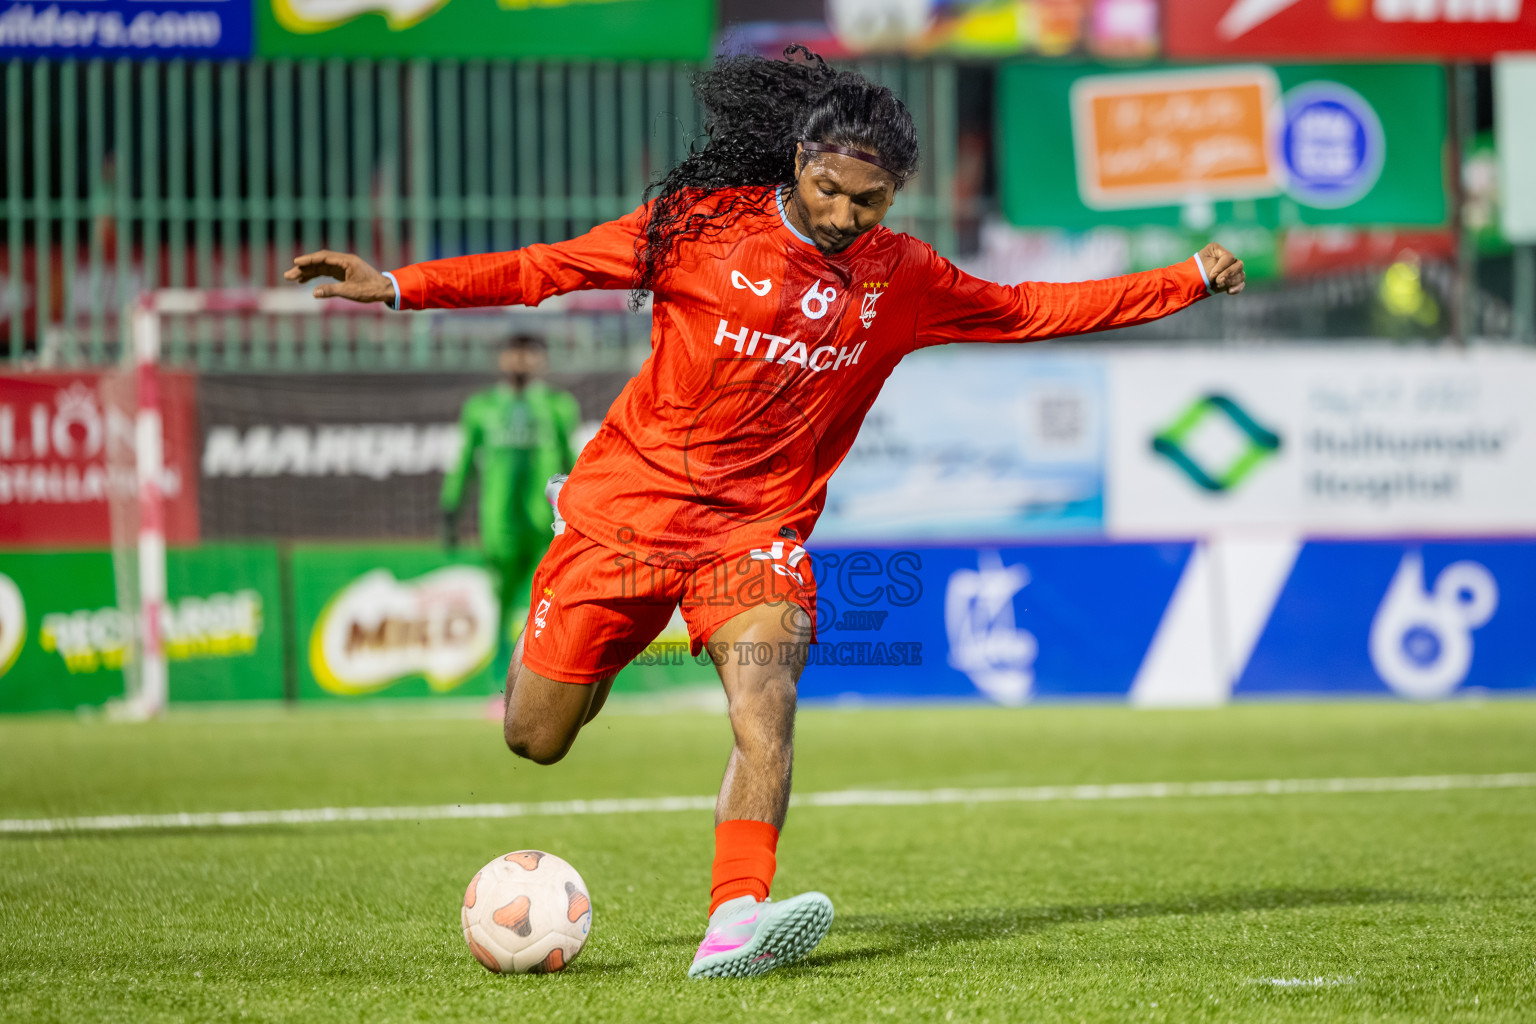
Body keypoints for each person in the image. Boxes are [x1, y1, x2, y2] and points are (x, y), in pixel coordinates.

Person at [284, 47, 1245, 979]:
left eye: (869, 201)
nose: (843, 213)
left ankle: (734, 918)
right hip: (624, 516)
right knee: (535, 738)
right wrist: (401, 286)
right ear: (798, 160)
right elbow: (551, 267)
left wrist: (1187, 279)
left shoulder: (902, 277)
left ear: (897, 194)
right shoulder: (698, 226)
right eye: (829, 188)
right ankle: (597, 602)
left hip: (753, 537)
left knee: (765, 707)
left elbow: (1034, 307)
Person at [441, 333, 579, 677]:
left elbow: (574, 462)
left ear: (542, 361)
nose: (521, 361)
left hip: (546, 525)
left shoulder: (558, 406)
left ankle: (546, 681)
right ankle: (500, 687)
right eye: (514, 354)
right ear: (502, 359)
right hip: (499, 526)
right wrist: (451, 510)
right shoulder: (481, 407)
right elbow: (464, 464)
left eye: (529, 354)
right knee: (500, 607)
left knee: (548, 603)